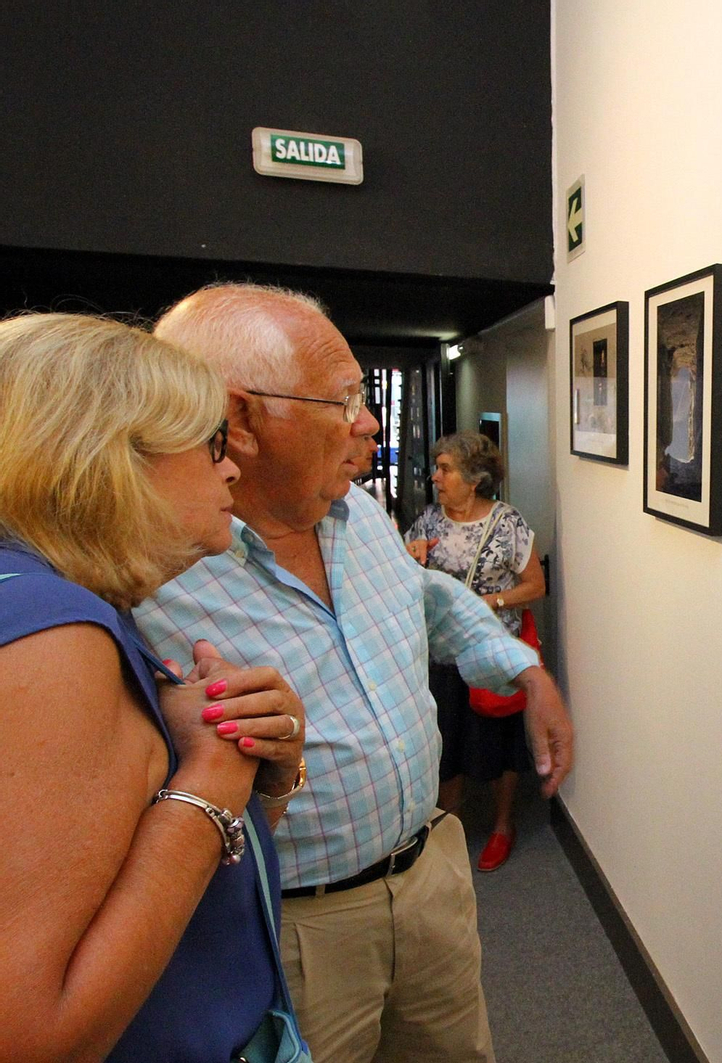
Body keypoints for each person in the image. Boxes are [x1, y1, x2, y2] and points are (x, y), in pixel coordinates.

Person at [134, 283, 574, 1063]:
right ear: (240, 420)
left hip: (429, 874)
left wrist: (524, 667)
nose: (369, 423)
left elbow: (428, 596)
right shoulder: (148, 572)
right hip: (297, 929)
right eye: (342, 400)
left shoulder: (361, 514)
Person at [0, 314, 309, 1062]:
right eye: (210, 444)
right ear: (110, 458)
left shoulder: (62, 605)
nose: (232, 468)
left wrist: (261, 758)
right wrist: (216, 767)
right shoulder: (54, 630)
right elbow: (34, 1035)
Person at [406, 432, 546, 872]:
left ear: (475, 478)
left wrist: (489, 602)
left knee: (499, 743)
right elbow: (403, 579)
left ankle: (503, 825)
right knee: (445, 741)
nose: (436, 477)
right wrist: (410, 559)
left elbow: (535, 586)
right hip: (440, 654)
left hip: (491, 651)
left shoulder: (509, 524)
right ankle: (449, 826)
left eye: (445, 469)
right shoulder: (428, 521)